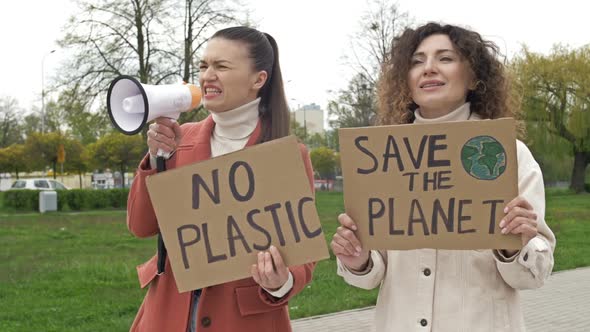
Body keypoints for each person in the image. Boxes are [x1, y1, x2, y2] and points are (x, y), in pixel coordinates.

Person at [331, 22, 555, 332]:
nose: (429, 68)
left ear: (475, 76)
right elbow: (371, 275)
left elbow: (533, 276)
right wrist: (358, 258)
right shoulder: (382, 158)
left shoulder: (509, 156)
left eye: (445, 58)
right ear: (404, 80)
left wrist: (516, 244)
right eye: (416, 61)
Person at [127, 26, 316, 332]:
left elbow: (300, 257)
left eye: (222, 66)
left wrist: (281, 282)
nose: (207, 76)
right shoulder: (179, 140)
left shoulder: (288, 155)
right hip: (168, 317)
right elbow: (141, 225)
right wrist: (156, 160)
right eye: (203, 66)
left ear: (259, 79)